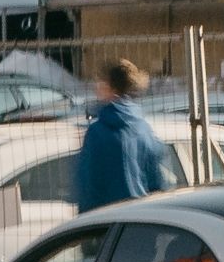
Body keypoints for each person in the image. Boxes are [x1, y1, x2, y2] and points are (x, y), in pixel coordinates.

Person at [75, 58, 181, 212]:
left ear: (108, 86)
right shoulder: (144, 129)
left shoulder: (97, 132)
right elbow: (159, 180)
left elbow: (88, 186)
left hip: (106, 221)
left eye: (100, 81)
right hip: (140, 217)